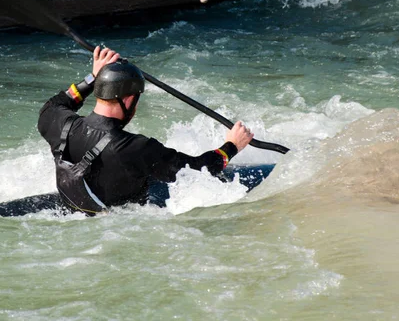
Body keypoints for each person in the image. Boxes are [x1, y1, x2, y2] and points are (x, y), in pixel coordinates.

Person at [36, 46, 254, 215]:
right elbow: (199, 170)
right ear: (129, 99)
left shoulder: (59, 124)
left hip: (75, 213)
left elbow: (53, 106)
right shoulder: (136, 148)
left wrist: (92, 79)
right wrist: (232, 146)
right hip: (121, 224)